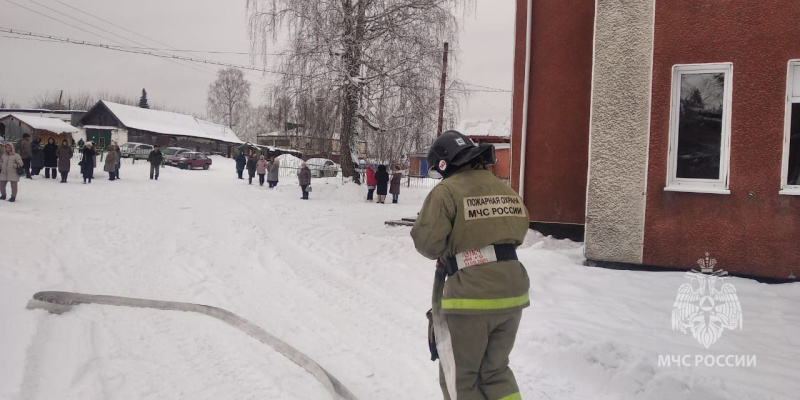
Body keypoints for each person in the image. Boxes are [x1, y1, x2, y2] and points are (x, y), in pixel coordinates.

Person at [410, 130, 530, 400]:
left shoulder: (447, 191)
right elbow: (518, 231)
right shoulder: (505, 189)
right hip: (513, 293)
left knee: (460, 377)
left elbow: (427, 243)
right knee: (495, 371)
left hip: (471, 300)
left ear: (444, 163)